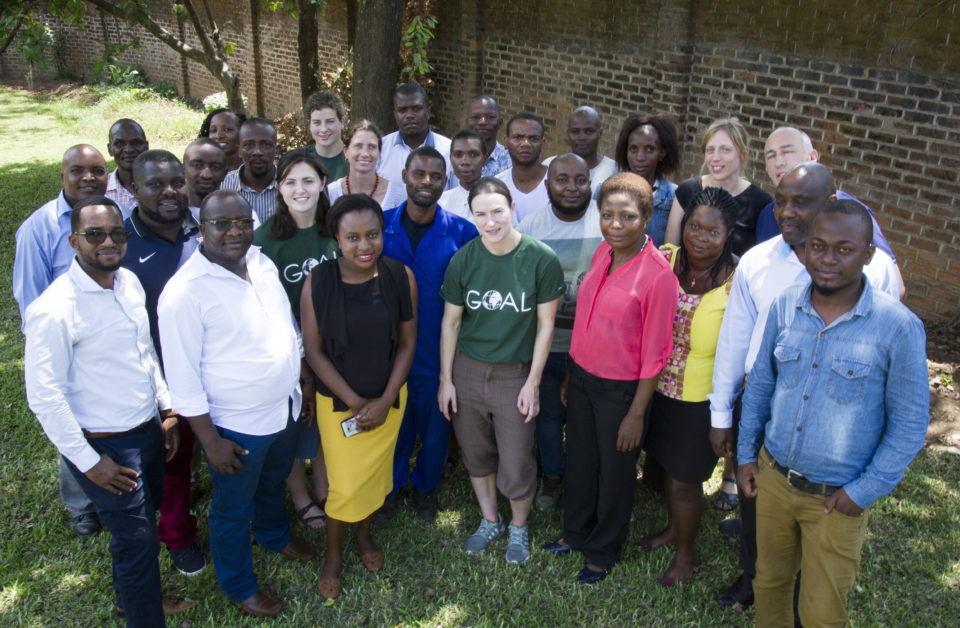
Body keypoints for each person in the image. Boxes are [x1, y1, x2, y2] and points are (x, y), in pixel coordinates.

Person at [708, 162, 901, 610]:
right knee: (758, 505)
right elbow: (735, 340)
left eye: (802, 202)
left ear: (831, 203)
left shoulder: (879, 271)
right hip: (761, 401)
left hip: (837, 409)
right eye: (780, 201)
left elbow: (885, 354)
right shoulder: (757, 260)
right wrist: (722, 415)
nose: (786, 212)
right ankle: (756, 578)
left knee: (822, 515)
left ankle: (806, 593)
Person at [738, 200, 928, 626]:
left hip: (836, 499)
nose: (826, 259)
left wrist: (863, 492)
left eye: (844, 249)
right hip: (774, 479)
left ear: (868, 255)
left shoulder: (897, 327)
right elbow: (761, 385)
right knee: (768, 584)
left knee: (822, 611)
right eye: (817, 246)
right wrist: (747, 455)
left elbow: (910, 425)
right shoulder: (787, 304)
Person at [24, 196, 192, 626]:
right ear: (73, 240)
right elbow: (44, 396)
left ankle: (130, 599)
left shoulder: (128, 282)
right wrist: (90, 463)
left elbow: (145, 351)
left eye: (116, 233)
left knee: (133, 531)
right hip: (104, 445)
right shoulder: (54, 310)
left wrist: (167, 408)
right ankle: (144, 615)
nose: (108, 242)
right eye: (94, 234)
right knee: (138, 539)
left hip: (147, 429)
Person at [158, 190, 314, 617]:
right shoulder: (184, 293)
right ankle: (239, 584)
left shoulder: (261, 261)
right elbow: (183, 379)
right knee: (231, 508)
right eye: (221, 224)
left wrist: (301, 378)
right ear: (200, 229)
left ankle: (274, 534)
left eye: (242, 222)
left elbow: (285, 322)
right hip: (236, 425)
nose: (234, 232)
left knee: (274, 479)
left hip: (285, 405)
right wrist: (210, 442)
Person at [542, 173, 678, 584]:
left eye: (627, 216)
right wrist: (571, 376)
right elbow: (586, 320)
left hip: (621, 393)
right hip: (582, 378)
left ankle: (602, 550)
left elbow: (657, 354)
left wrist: (637, 413)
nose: (615, 225)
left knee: (616, 472)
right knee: (581, 460)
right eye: (607, 215)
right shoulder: (603, 251)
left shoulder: (658, 277)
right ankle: (575, 532)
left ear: (648, 216)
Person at [438, 176, 564, 565]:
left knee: (516, 459)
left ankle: (519, 526)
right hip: (468, 371)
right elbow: (451, 323)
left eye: (497, 211)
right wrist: (446, 380)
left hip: (516, 372)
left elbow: (546, 327)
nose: (490, 222)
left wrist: (533, 382)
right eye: (481, 214)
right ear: (471, 216)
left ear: (512, 209)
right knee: (476, 452)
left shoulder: (541, 258)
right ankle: (490, 519)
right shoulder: (465, 259)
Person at [300, 194, 417, 599]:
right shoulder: (319, 281)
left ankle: (364, 536)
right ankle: (333, 554)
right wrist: (354, 401)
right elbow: (313, 350)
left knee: (375, 478)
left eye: (372, 235)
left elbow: (407, 344)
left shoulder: (401, 276)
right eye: (352, 237)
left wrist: (385, 401)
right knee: (345, 486)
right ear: (336, 237)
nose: (364, 246)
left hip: (389, 400)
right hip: (339, 405)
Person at [638, 187, 740, 587]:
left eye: (712, 232)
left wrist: (725, 416)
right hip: (654, 387)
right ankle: (672, 530)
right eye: (694, 226)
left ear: (728, 233)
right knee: (664, 468)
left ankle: (687, 554)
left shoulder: (738, 280)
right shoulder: (664, 258)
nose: (700, 237)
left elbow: (740, 352)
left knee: (685, 481)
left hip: (700, 399)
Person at [13, 143, 109, 536]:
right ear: (62, 176)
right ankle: (82, 504)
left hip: (108, 336)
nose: (89, 177)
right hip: (65, 341)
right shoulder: (38, 227)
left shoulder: (110, 218)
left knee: (109, 419)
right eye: (78, 170)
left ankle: (115, 489)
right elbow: (29, 295)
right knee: (74, 419)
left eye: (98, 170)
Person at [379, 146, 479, 522]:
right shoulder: (381, 226)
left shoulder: (462, 232)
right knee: (395, 424)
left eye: (436, 176)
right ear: (404, 175)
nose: (426, 182)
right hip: (387, 351)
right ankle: (391, 485)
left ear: (445, 181)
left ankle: (426, 488)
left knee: (436, 427)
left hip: (439, 352)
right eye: (419, 174)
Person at [121, 150, 206, 576]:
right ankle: (178, 536)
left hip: (214, 369)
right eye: (156, 184)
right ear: (135, 189)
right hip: (160, 381)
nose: (170, 191)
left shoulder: (203, 227)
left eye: (177, 181)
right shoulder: (121, 244)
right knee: (173, 462)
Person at [253, 149, 339, 531]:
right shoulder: (263, 241)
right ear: (279, 188)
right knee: (293, 425)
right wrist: (301, 365)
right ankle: (301, 497)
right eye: (290, 182)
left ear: (323, 183)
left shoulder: (337, 230)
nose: (300, 189)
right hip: (287, 353)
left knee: (323, 423)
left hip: (337, 348)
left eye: (308, 180)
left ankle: (324, 488)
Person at [517, 153, 603, 511]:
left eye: (580, 180)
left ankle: (585, 480)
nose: (571, 187)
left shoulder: (606, 224)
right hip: (547, 345)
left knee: (587, 419)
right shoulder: (532, 228)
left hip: (595, 346)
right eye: (562, 180)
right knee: (548, 416)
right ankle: (552, 476)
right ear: (547, 185)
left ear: (590, 183)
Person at [757, 126, 905, 297]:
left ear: (813, 157)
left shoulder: (851, 214)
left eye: (787, 152)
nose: (778, 162)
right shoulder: (767, 215)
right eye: (771, 155)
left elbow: (894, 285)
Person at [664, 117, 772, 256]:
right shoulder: (687, 190)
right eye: (710, 150)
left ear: (743, 154)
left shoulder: (761, 202)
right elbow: (669, 252)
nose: (715, 158)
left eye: (725, 150)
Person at [377, 83, 454, 209]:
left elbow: (455, 195)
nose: (409, 115)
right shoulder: (381, 149)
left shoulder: (448, 150)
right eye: (402, 110)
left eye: (416, 109)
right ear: (395, 114)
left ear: (428, 112)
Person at [613, 112, 681, 246]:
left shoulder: (674, 197)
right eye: (633, 149)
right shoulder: (607, 191)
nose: (640, 157)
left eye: (649, 150)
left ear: (662, 153)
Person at [543, 107, 617, 196]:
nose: (582, 137)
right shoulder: (550, 166)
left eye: (589, 131)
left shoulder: (615, 170)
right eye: (575, 131)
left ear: (600, 133)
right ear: (568, 134)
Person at [220, 117, 279, 223]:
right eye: (249, 145)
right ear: (239, 151)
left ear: (276, 150)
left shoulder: (290, 184)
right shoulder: (223, 187)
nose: (257, 152)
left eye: (266, 145)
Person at [327, 120, 398, 208]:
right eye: (358, 146)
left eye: (372, 147)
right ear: (345, 151)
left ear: (380, 152)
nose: (365, 154)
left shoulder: (395, 194)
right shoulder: (330, 193)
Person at [495, 112, 550, 223]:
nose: (525, 144)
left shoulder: (556, 182)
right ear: (506, 142)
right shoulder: (496, 185)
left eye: (533, 138)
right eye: (518, 137)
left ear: (543, 144)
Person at [439, 129, 488, 221]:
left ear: (485, 159)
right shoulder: (441, 202)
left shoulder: (498, 201)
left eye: (473, 155)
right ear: (450, 158)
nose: (465, 162)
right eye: (458, 155)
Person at [105, 118, 149, 214]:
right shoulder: (102, 189)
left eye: (136, 142)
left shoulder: (162, 186)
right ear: (109, 149)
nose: (129, 150)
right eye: (119, 144)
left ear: (146, 147)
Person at [304, 90, 349, 182]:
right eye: (317, 123)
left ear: (342, 122)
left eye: (330, 121)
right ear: (309, 125)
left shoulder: (355, 158)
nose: (323, 129)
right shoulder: (301, 159)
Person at [466, 95, 511, 176]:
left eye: (490, 117)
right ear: (467, 122)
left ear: (500, 123)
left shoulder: (511, 161)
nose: (482, 122)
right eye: (475, 117)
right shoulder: (456, 158)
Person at [183, 138, 228, 217]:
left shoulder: (241, 214)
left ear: (225, 174)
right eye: (197, 166)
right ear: (183, 170)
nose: (206, 175)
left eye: (215, 167)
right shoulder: (168, 215)